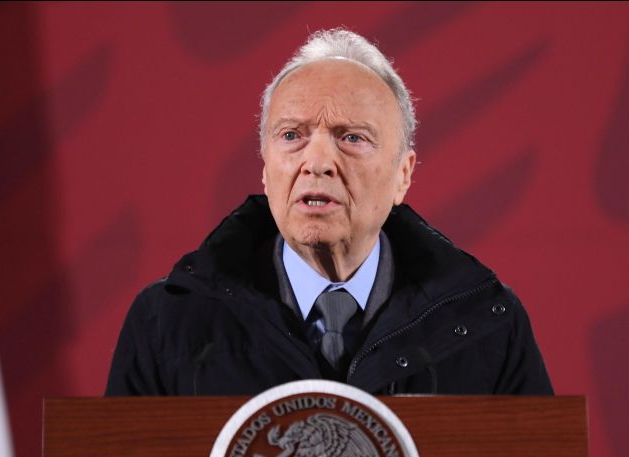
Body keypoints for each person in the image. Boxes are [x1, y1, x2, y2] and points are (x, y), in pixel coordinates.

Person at [105, 29, 553, 396]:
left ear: (403, 174)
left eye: (352, 137)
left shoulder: (488, 323)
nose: (317, 162)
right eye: (291, 136)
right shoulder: (166, 323)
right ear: (265, 170)